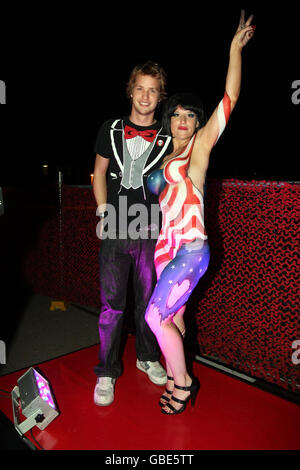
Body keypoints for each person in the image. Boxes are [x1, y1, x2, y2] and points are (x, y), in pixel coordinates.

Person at [145, 11, 255, 415]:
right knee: (175, 318)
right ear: (169, 118)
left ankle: (184, 382)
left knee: (156, 318)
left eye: (190, 115)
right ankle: (176, 377)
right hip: (165, 251)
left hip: (191, 251)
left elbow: (230, 98)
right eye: (177, 113)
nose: (183, 120)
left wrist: (233, 50)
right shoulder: (165, 154)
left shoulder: (198, 149)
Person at [92, 61, 173, 406]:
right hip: (116, 227)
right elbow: (98, 172)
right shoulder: (109, 128)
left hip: (152, 229)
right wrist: (101, 209)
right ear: (130, 90)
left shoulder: (170, 136)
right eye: (140, 87)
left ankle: (146, 356)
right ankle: (107, 372)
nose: (145, 95)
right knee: (112, 305)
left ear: (159, 97)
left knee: (149, 301)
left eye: (152, 90)